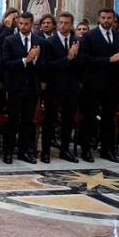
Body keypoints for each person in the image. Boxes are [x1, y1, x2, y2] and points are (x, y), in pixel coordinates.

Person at [78, 7, 119, 163]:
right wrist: (109, 60)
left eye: (109, 18)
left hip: (112, 84)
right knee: (89, 118)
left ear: (114, 19)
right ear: (99, 19)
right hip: (93, 83)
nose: (106, 20)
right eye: (103, 18)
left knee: (109, 118)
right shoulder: (89, 36)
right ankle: (86, 150)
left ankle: (107, 150)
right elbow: (85, 60)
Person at [0, 12, 42, 164]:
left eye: (26, 24)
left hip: (32, 86)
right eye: (20, 24)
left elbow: (43, 66)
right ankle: (8, 152)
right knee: (12, 120)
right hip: (15, 87)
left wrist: (36, 60)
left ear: (32, 24)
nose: (23, 26)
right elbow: (5, 63)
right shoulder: (9, 40)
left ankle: (24, 151)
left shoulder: (39, 40)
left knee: (27, 121)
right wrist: (26, 60)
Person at [40, 12, 81, 163]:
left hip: (71, 87)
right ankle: (45, 151)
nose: (63, 26)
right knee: (50, 120)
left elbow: (82, 65)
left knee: (68, 120)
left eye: (67, 23)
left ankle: (65, 150)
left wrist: (75, 58)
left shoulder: (77, 41)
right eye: (61, 23)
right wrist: (67, 58)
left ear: (71, 25)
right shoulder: (49, 42)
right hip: (54, 87)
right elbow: (46, 66)